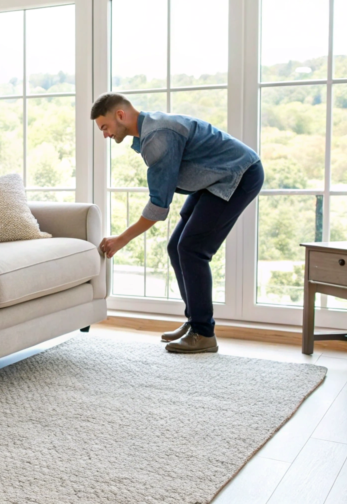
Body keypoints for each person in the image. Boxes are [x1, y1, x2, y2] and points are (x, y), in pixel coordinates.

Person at [92, 93, 263, 354]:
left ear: (120, 115)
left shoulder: (157, 138)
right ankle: (196, 322)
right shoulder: (151, 131)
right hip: (212, 178)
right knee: (177, 247)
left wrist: (121, 239)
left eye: (104, 127)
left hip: (238, 174)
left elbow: (159, 206)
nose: (105, 134)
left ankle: (204, 334)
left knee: (192, 248)